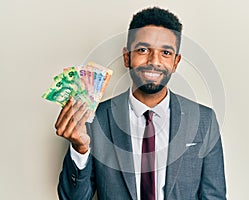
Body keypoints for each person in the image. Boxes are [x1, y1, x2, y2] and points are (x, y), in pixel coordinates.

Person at [55, 7, 226, 200]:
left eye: (166, 52)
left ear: (176, 62)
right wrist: (80, 150)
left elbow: (214, 196)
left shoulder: (204, 120)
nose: (154, 61)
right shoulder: (96, 118)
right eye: (143, 50)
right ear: (127, 57)